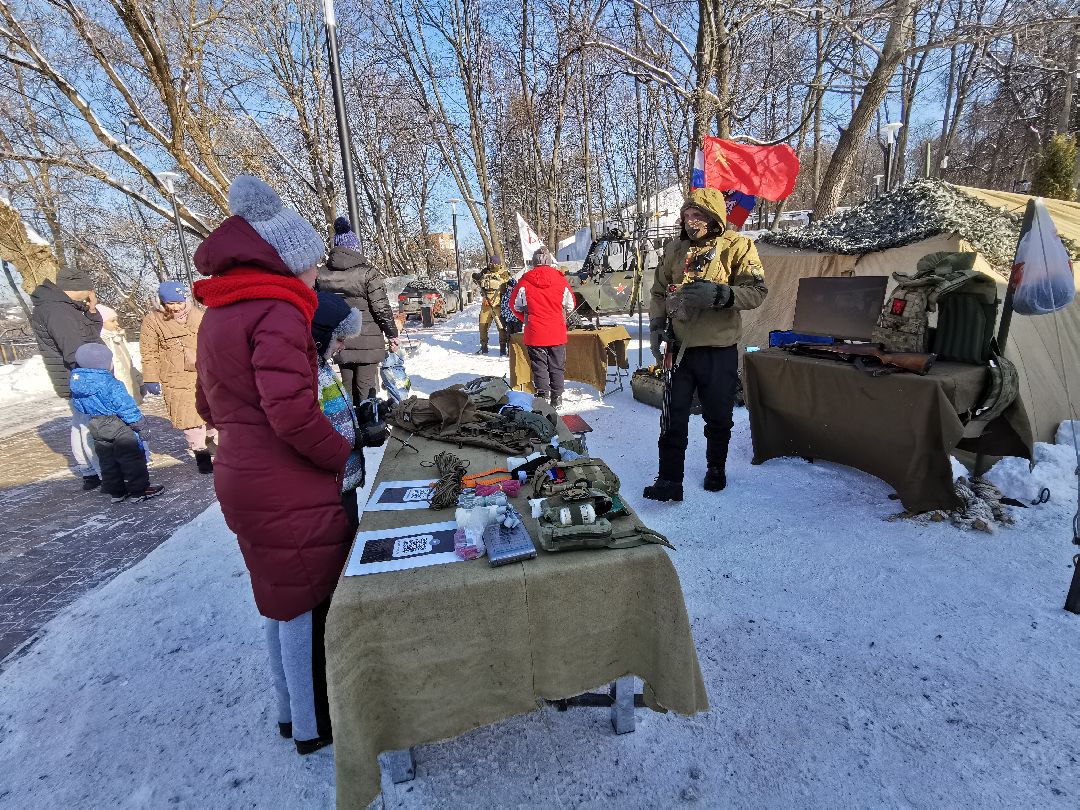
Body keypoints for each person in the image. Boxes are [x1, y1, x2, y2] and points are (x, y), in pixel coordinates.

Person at [193, 174, 355, 756]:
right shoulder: (279, 311)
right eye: (311, 264)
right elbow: (291, 415)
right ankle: (318, 726)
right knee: (311, 605)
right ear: (289, 263)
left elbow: (207, 405)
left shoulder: (222, 310)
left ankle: (292, 712)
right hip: (287, 483)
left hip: (243, 474)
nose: (317, 276)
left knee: (282, 602)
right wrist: (342, 455)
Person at [643, 188, 768, 503]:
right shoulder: (674, 250)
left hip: (718, 349)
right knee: (672, 417)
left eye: (697, 214)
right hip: (679, 349)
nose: (690, 221)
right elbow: (658, 291)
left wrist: (721, 295)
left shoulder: (738, 247)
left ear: (713, 217)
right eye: (686, 215)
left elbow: (757, 291)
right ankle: (669, 479)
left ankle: (716, 468)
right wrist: (657, 326)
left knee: (718, 417)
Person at [29, 265, 105, 490]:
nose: (92, 293)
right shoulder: (58, 311)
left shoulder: (64, 307)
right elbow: (74, 350)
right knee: (91, 426)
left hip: (77, 375)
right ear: (79, 287)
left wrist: (92, 311)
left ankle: (90, 472)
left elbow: (90, 334)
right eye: (89, 288)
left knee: (81, 423)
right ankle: (104, 475)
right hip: (79, 376)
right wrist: (94, 376)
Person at [317, 217, 399, 406]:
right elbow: (381, 307)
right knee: (367, 389)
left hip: (339, 340)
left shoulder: (321, 275)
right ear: (356, 248)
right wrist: (392, 334)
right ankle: (370, 430)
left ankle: (351, 430)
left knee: (346, 388)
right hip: (367, 339)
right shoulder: (368, 273)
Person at [68, 343, 164, 503]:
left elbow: (78, 406)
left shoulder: (77, 384)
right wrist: (139, 423)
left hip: (96, 423)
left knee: (107, 459)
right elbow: (125, 405)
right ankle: (139, 491)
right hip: (118, 424)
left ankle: (117, 492)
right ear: (103, 363)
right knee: (131, 457)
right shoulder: (110, 383)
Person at [140, 281, 217, 473]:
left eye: (179, 302)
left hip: (203, 374)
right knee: (189, 418)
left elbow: (214, 343)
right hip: (175, 377)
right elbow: (149, 351)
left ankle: (213, 444)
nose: (176, 307)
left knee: (212, 413)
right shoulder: (153, 321)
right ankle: (201, 455)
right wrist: (151, 377)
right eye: (171, 304)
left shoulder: (198, 316)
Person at [311, 291, 366, 531]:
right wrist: (355, 439)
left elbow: (334, 416)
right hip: (329, 489)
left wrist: (361, 420)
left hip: (343, 481)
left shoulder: (321, 367)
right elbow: (313, 431)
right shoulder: (309, 374)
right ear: (321, 336)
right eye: (340, 338)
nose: (343, 346)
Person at [510, 247, 575, 410]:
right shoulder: (560, 279)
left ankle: (542, 396)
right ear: (549, 261)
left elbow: (513, 306)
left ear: (533, 262)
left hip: (535, 332)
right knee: (557, 365)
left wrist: (526, 319)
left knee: (540, 366)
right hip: (557, 331)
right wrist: (561, 318)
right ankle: (557, 397)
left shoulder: (524, 281)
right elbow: (571, 304)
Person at [95, 304, 143, 404]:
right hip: (114, 390)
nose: (117, 324)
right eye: (112, 321)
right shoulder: (100, 341)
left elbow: (129, 363)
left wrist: (139, 380)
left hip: (129, 387)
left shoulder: (118, 339)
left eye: (116, 320)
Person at [472, 260, 511, 355]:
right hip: (486, 305)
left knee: (501, 328)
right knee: (482, 326)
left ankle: (502, 348)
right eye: (491, 263)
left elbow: (507, 286)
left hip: (498, 305)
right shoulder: (485, 271)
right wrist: (478, 278)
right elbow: (478, 280)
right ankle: (484, 346)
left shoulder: (504, 273)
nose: (493, 265)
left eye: (494, 263)